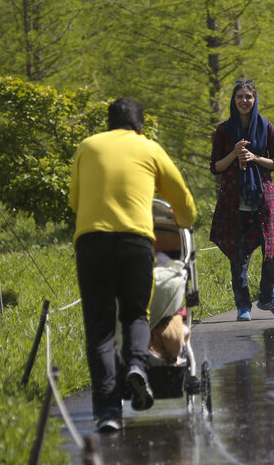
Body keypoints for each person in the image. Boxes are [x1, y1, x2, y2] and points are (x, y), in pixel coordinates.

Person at [69, 97, 197, 433]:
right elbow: (182, 200)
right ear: (140, 126)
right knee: (136, 314)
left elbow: (74, 199)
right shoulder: (149, 148)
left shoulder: (87, 146)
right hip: (136, 242)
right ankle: (137, 367)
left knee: (99, 329)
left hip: (91, 243)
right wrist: (184, 219)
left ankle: (108, 411)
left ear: (108, 124)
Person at [208, 80, 274, 322]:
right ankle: (243, 306)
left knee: (272, 252)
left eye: (248, 97)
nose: (244, 101)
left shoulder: (266, 126)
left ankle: (267, 297)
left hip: (263, 199)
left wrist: (254, 157)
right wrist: (234, 153)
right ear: (233, 101)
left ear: (255, 100)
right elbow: (215, 167)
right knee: (238, 256)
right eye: (239, 97)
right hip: (234, 201)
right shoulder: (224, 130)